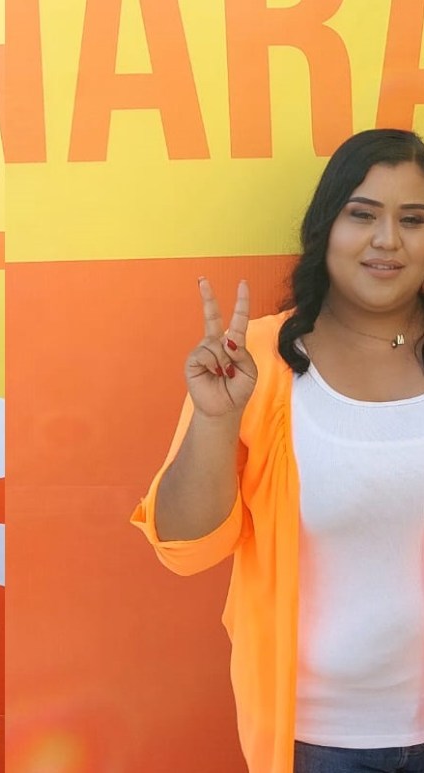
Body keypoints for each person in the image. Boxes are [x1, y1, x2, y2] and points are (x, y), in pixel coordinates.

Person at [132, 128, 424, 773]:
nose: (388, 240)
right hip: (317, 738)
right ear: (326, 227)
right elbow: (184, 544)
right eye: (363, 215)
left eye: (414, 220)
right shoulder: (260, 359)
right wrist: (216, 418)